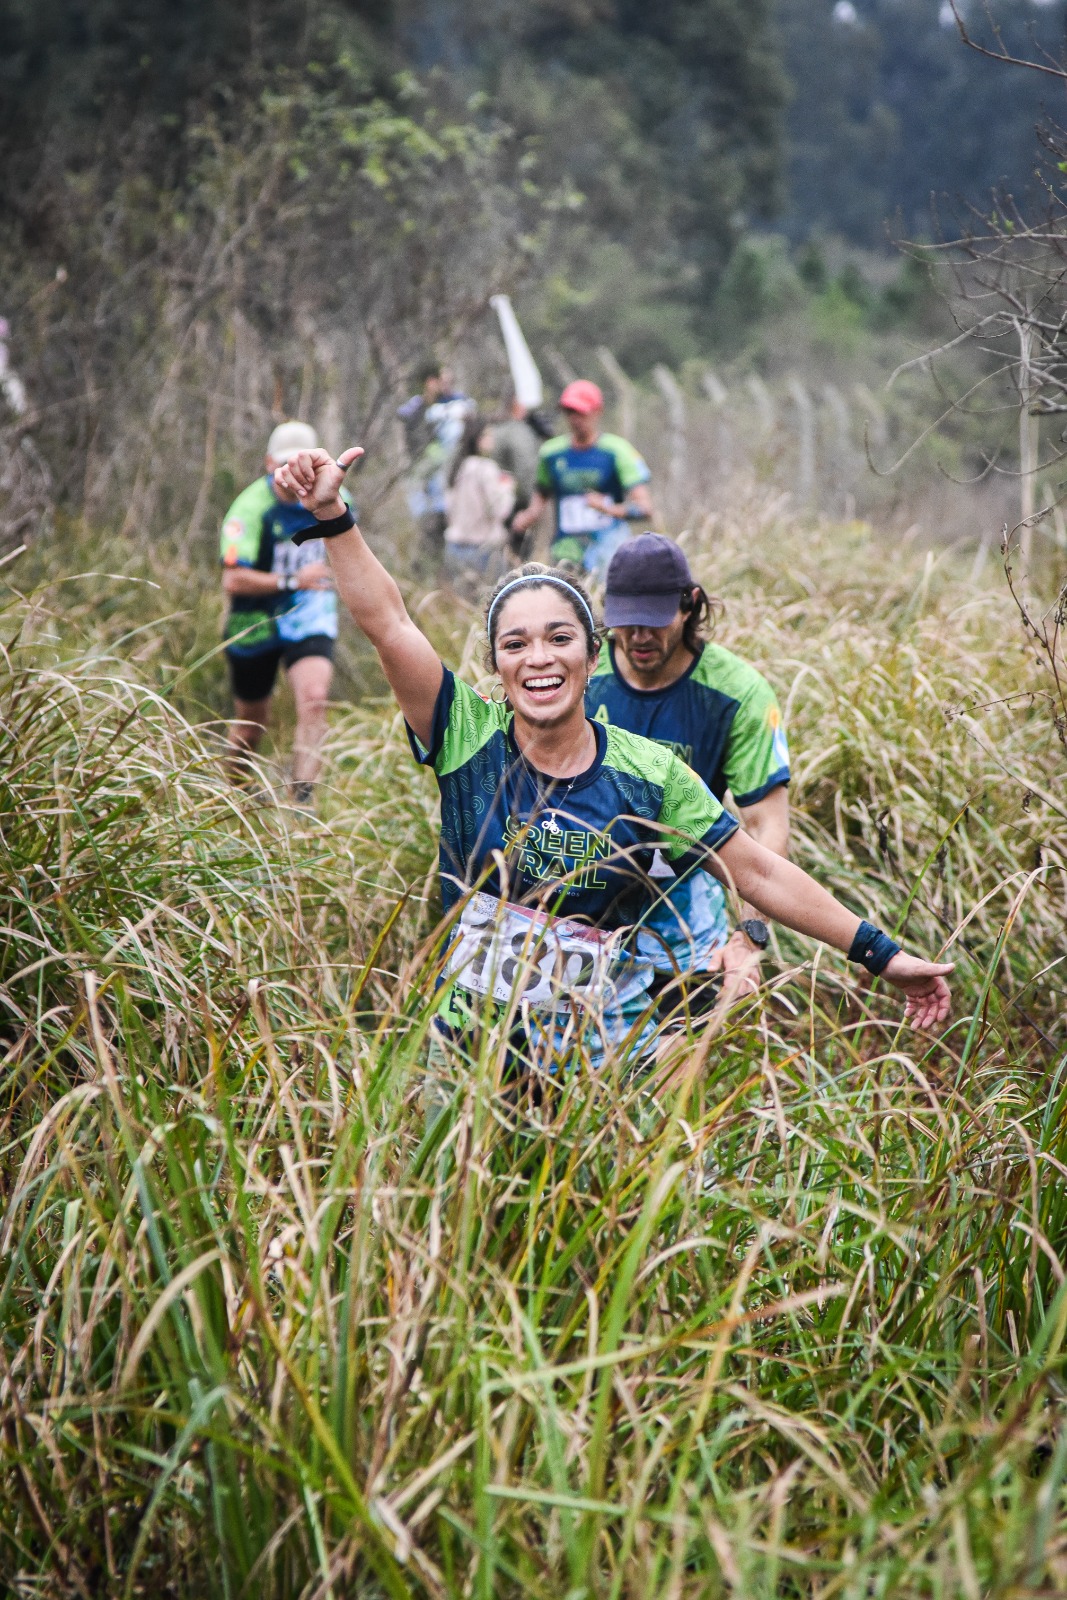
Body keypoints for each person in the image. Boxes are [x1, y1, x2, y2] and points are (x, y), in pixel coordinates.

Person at [275, 441, 953, 1075]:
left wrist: (882, 956)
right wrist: (332, 517)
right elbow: (388, 624)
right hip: (466, 1051)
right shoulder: (465, 737)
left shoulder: (651, 775)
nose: (537, 658)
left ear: (591, 655)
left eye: (558, 638)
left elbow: (759, 872)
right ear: (495, 665)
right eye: (514, 645)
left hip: (596, 1057)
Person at [586, 534, 791, 1014]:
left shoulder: (738, 693)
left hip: (684, 895)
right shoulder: (580, 676)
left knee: (678, 1056)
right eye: (626, 622)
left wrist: (749, 934)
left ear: (690, 605)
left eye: (654, 622)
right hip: (585, 888)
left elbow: (765, 823)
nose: (638, 637)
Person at [219, 420, 351, 807]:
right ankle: (231, 802)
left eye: (302, 468)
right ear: (268, 464)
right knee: (251, 725)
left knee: (314, 700)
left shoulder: (333, 498)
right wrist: (293, 580)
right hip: (254, 620)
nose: (294, 479)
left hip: (310, 614)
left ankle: (303, 806)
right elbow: (233, 580)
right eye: (284, 468)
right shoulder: (249, 509)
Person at [511, 380, 653, 576]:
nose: (574, 419)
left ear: (597, 411)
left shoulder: (617, 451)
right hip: (566, 551)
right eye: (569, 412)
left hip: (609, 553)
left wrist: (607, 508)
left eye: (580, 411)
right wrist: (527, 518)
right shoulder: (551, 453)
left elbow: (645, 509)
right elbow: (540, 496)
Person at [396, 361, 475, 554]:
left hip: (445, 478)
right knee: (426, 525)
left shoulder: (456, 403)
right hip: (423, 474)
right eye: (442, 380)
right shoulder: (417, 406)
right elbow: (407, 422)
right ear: (430, 382)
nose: (445, 385)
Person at [442, 416, 517, 588]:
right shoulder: (486, 468)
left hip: (455, 547)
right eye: (488, 435)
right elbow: (500, 510)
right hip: (483, 550)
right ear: (478, 439)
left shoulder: (456, 467)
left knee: (461, 606)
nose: (492, 439)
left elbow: (448, 509)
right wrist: (507, 488)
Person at [491, 395, 554, 553]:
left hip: (492, 505)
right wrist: (531, 507)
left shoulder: (493, 429)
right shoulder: (519, 433)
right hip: (514, 506)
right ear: (517, 406)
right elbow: (526, 472)